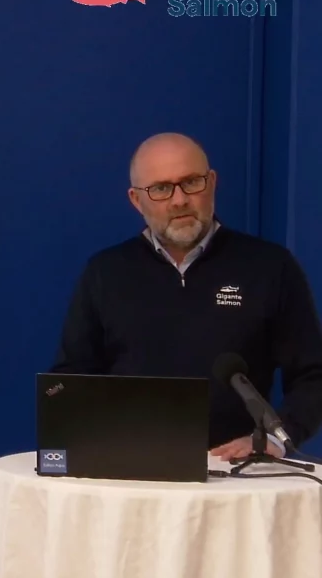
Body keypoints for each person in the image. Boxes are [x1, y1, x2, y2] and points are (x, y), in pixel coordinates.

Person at [51, 132, 322, 460]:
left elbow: (313, 376)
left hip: (237, 471)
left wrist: (277, 438)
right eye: (161, 188)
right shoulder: (105, 272)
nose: (179, 200)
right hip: (130, 470)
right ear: (136, 200)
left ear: (212, 183)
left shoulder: (270, 267)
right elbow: (71, 379)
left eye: (191, 182)